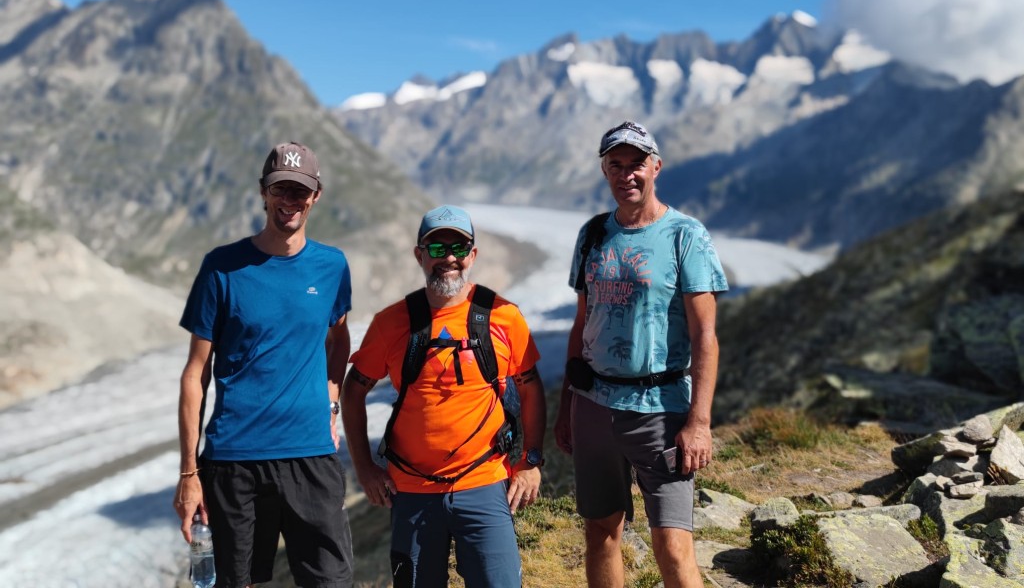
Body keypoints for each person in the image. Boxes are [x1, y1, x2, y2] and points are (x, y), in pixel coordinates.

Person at [554, 121, 728, 588]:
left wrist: (699, 422)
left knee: (673, 545)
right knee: (600, 533)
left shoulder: (686, 235)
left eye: (637, 164)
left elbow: (705, 336)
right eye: (616, 165)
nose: (626, 174)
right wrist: (567, 405)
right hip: (593, 405)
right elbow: (582, 324)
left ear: (656, 167)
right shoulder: (593, 234)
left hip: (661, 409)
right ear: (604, 170)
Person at [174, 141, 354, 588]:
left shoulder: (332, 267)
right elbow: (195, 374)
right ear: (263, 192)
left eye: (300, 191)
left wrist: (331, 403)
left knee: (331, 582)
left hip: (310, 455)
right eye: (280, 189)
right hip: (234, 461)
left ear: (316, 195)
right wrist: (189, 474)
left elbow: (340, 339)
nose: (289, 201)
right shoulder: (221, 268)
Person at [342, 205, 546, 588]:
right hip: (412, 490)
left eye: (459, 247)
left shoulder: (504, 317)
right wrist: (365, 468)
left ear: (473, 254)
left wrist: (531, 461)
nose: (448, 258)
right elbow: (353, 391)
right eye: (437, 248)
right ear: (419, 255)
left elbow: (531, 387)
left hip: (484, 483)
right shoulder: (391, 323)